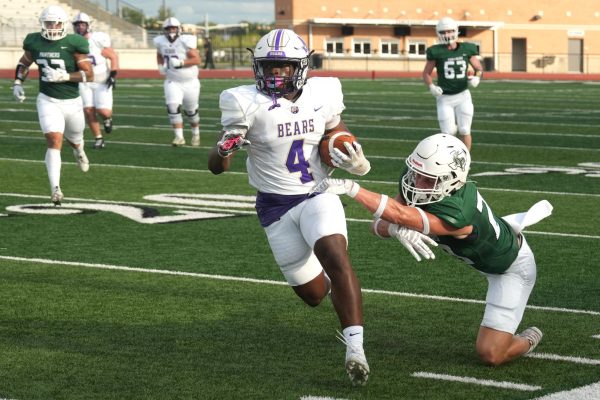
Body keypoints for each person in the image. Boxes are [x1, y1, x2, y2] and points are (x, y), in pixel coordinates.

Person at [208, 29, 433, 385]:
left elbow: (336, 132)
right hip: (275, 206)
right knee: (313, 294)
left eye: (283, 67)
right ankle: (337, 292)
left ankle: (355, 348)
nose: (276, 74)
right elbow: (215, 168)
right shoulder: (241, 101)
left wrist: (353, 156)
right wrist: (223, 151)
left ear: (301, 66)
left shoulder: (324, 91)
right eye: (269, 67)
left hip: (318, 191)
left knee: (335, 254)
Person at [312, 133, 553, 366]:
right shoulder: (417, 179)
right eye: (416, 173)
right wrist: (396, 229)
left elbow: (397, 213)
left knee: (491, 354)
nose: (417, 182)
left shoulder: (459, 214)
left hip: (509, 268)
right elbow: (377, 226)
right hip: (484, 251)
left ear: (452, 180)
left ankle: (527, 340)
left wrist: (353, 188)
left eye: (427, 179)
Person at [12, 5, 93, 205]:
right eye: (48, 22)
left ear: (63, 24)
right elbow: (24, 63)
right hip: (47, 99)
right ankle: (55, 188)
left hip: (72, 101)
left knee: (75, 139)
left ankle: (79, 151)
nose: (51, 26)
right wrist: (17, 83)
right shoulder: (35, 41)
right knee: (54, 139)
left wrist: (65, 76)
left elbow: (89, 74)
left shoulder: (74, 43)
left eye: (55, 22)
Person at [423, 17, 483, 151]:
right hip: (445, 98)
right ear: (438, 33)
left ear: (456, 31)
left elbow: (478, 68)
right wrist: (431, 86)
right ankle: (449, 161)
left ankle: (466, 160)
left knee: (464, 129)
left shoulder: (467, 49)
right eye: (443, 32)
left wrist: (477, 78)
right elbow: (426, 73)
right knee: (447, 134)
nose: (447, 35)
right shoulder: (436, 51)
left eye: (449, 31)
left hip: (463, 95)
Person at [72, 12, 119, 150]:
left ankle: (107, 119)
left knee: (103, 111)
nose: (80, 27)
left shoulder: (97, 40)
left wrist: (113, 74)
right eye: (77, 25)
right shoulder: (73, 42)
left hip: (101, 80)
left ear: (88, 25)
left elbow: (113, 56)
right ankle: (98, 138)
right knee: (88, 110)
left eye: (82, 24)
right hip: (84, 80)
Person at [153, 17, 201, 147]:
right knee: (172, 107)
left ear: (178, 29)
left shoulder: (186, 41)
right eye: (168, 28)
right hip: (172, 81)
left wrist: (182, 63)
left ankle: (195, 133)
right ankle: (179, 137)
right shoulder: (160, 42)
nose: (171, 30)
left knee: (191, 112)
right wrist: (160, 65)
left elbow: (197, 60)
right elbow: (159, 54)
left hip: (190, 82)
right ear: (164, 30)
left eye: (173, 28)